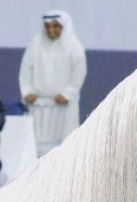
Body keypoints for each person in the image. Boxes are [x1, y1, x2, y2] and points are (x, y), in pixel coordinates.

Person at [19, 10, 87, 156]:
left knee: (65, 147)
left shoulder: (74, 46)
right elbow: (25, 69)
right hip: (38, 105)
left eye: (55, 26)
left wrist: (67, 94)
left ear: (63, 27)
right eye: (48, 26)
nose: (51, 30)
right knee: (35, 148)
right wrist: (27, 91)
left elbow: (79, 73)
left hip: (64, 106)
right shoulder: (36, 43)